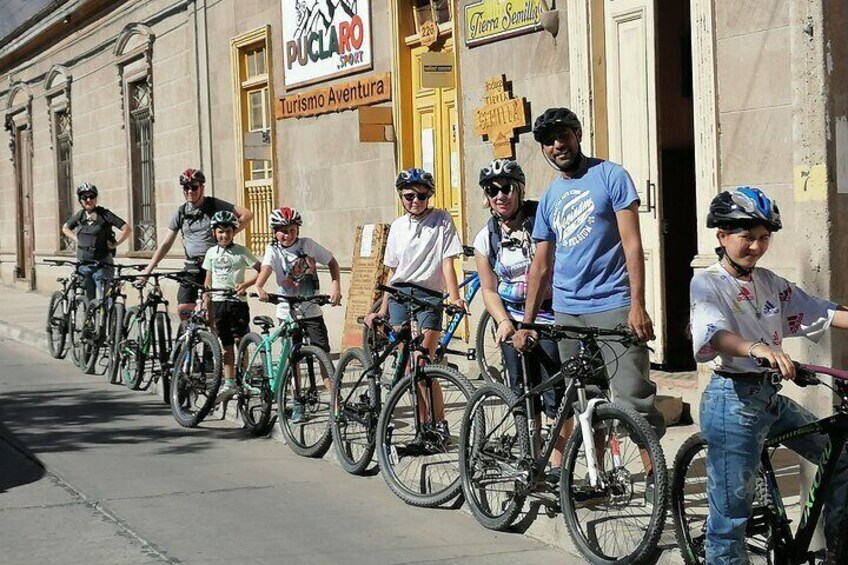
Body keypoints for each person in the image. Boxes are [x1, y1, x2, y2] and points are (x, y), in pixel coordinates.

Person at [690, 186, 848, 565]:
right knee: (730, 518)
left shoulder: (770, 283)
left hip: (769, 400)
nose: (756, 247)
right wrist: (756, 348)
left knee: (839, 458)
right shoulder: (708, 283)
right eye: (747, 237)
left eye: (763, 238)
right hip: (732, 403)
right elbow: (714, 333)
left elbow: (822, 312)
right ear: (722, 236)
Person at [512, 107, 665, 440]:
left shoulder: (612, 175)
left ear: (578, 135)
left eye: (563, 136)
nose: (558, 145)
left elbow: (632, 245)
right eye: (549, 141)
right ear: (543, 149)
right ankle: (599, 484)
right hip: (568, 313)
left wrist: (637, 304)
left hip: (614, 305)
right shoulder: (551, 196)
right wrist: (527, 323)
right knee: (585, 401)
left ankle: (657, 482)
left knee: (633, 401)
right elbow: (540, 266)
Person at [472, 158, 567, 480]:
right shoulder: (486, 236)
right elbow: (488, 288)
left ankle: (557, 466)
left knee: (555, 393)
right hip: (512, 319)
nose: (500, 195)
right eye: (492, 190)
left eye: (506, 188)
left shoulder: (541, 219)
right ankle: (531, 457)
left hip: (550, 315)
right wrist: (502, 321)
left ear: (520, 189)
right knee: (523, 392)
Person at [363, 168, 464, 440]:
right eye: (409, 196)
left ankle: (438, 423)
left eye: (421, 195)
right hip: (399, 296)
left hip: (428, 296)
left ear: (429, 195)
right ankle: (422, 428)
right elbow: (392, 271)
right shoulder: (397, 226)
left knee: (424, 363)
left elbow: (447, 263)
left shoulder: (442, 220)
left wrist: (454, 297)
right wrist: (382, 309)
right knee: (409, 367)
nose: (415, 201)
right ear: (401, 196)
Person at [254, 207, 342, 423]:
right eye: (283, 230)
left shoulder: (308, 245)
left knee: (322, 353)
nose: (288, 234)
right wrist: (259, 287)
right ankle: (298, 402)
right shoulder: (273, 251)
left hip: (311, 309)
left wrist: (335, 287)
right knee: (293, 358)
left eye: (292, 230)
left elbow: (331, 262)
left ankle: (335, 403)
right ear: (275, 232)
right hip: (288, 311)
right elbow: (265, 269)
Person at [139, 168, 253, 321]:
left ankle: (210, 341)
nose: (190, 191)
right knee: (183, 308)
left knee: (210, 310)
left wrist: (226, 236)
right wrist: (148, 269)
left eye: (194, 187)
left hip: (213, 265)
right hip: (192, 266)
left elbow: (247, 214)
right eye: (186, 188)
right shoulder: (181, 212)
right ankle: (192, 339)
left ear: (202, 188)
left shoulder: (214, 205)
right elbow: (166, 244)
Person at [201, 210, 261, 403]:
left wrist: (247, 285)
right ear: (214, 233)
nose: (224, 235)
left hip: (237, 303)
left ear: (234, 232)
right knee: (226, 344)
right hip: (218, 303)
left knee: (240, 341)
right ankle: (229, 382)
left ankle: (244, 378)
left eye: (228, 231)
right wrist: (205, 299)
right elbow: (208, 280)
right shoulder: (211, 253)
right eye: (220, 232)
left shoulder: (242, 251)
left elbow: (261, 271)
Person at [62, 182, 132, 300]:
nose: (88, 200)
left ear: (95, 198)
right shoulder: (80, 215)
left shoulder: (104, 214)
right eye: (84, 197)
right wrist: (76, 239)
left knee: (105, 300)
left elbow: (127, 229)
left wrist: (115, 244)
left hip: (102, 264)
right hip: (84, 264)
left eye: (91, 197)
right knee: (88, 300)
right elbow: (65, 228)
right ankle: (91, 318)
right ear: (80, 200)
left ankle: (106, 317)